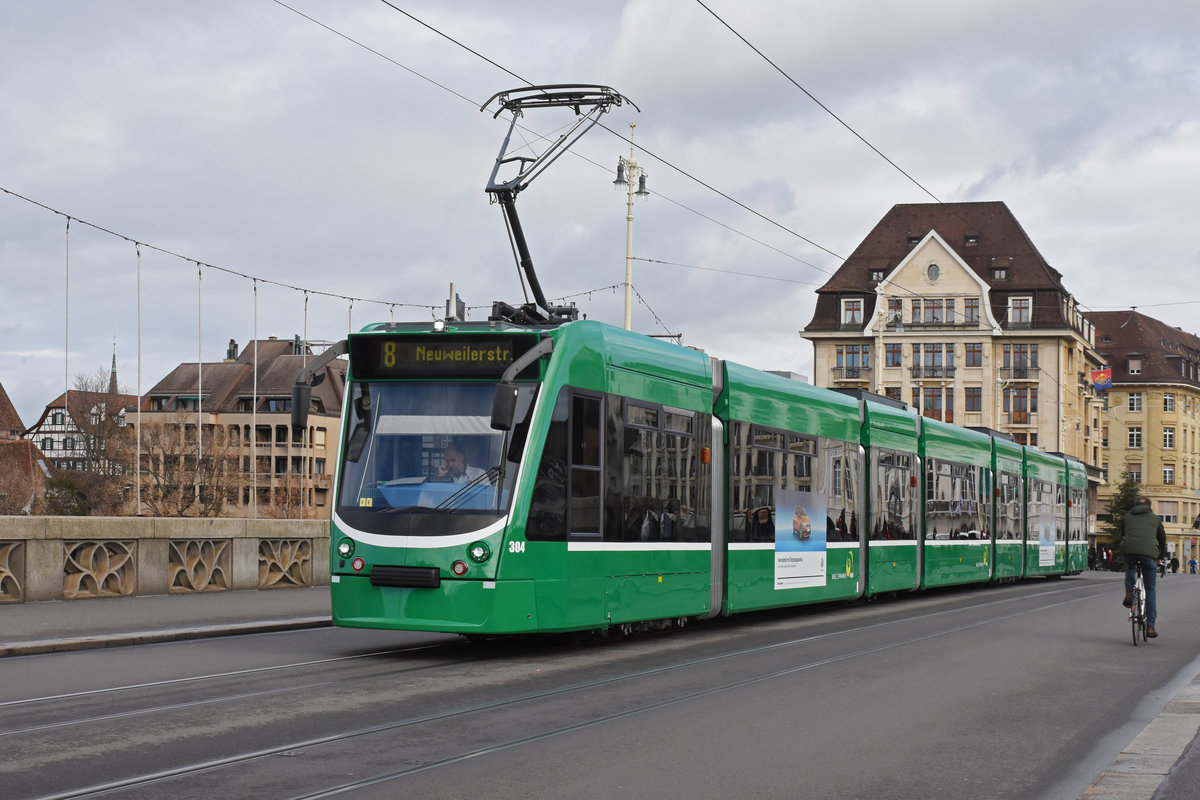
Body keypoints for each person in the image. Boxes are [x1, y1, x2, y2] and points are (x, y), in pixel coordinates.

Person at [1120, 496, 1167, 638]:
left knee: (1130, 566)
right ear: (1149, 506)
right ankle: (1151, 627)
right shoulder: (1155, 519)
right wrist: (1159, 557)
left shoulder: (1126, 517)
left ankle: (1129, 593)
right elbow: (1162, 539)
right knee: (1150, 589)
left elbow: (1123, 535)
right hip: (1148, 554)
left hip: (1129, 550)